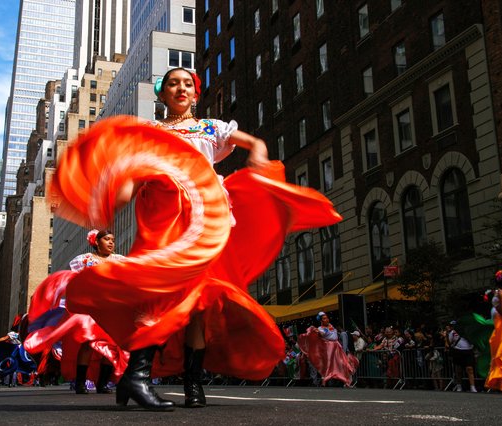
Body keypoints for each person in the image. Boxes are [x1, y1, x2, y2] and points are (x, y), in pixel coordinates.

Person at [49, 67, 342, 410]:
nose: (181, 88)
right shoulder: (152, 132)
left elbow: (252, 142)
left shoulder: (212, 128)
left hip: (204, 219)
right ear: (162, 93)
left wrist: (259, 160)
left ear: (196, 92)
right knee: (156, 296)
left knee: (198, 305)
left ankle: (190, 384)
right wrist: (112, 198)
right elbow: (133, 178)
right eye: (173, 83)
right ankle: (137, 376)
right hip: (162, 218)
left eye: (188, 83)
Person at [24, 230, 128, 395]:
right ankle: (80, 382)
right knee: (88, 343)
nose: (110, 243)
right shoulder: (85, 260)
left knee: (112, 346)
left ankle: (103, 383)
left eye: (112, 240)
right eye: (106, 239)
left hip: (112, 308)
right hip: (91, 308)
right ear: (96, 241)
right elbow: (76, 281)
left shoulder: (120, 260)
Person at [297, 312, 358, 386]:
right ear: (321, 321)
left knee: (342, 363)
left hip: (337, 348)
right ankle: (327, 381)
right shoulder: (321, 328)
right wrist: (319, 332)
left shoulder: (331, 326)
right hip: (329, 349)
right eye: (324, 318)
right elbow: (322, 334)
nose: (327, 320)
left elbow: (334, 335)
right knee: (330, 365)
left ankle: (342, 380)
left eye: (327, 318)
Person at [445, 320, 477, 392]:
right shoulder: (453, 332)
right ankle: (459, 385)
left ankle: (472, 386)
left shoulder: (468, 331)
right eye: (452, 325)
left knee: (470, 369)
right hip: (458, 351)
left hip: (468, 350)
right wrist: (447, 335)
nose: (453, 327)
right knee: (458, 370)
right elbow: (450, 343)